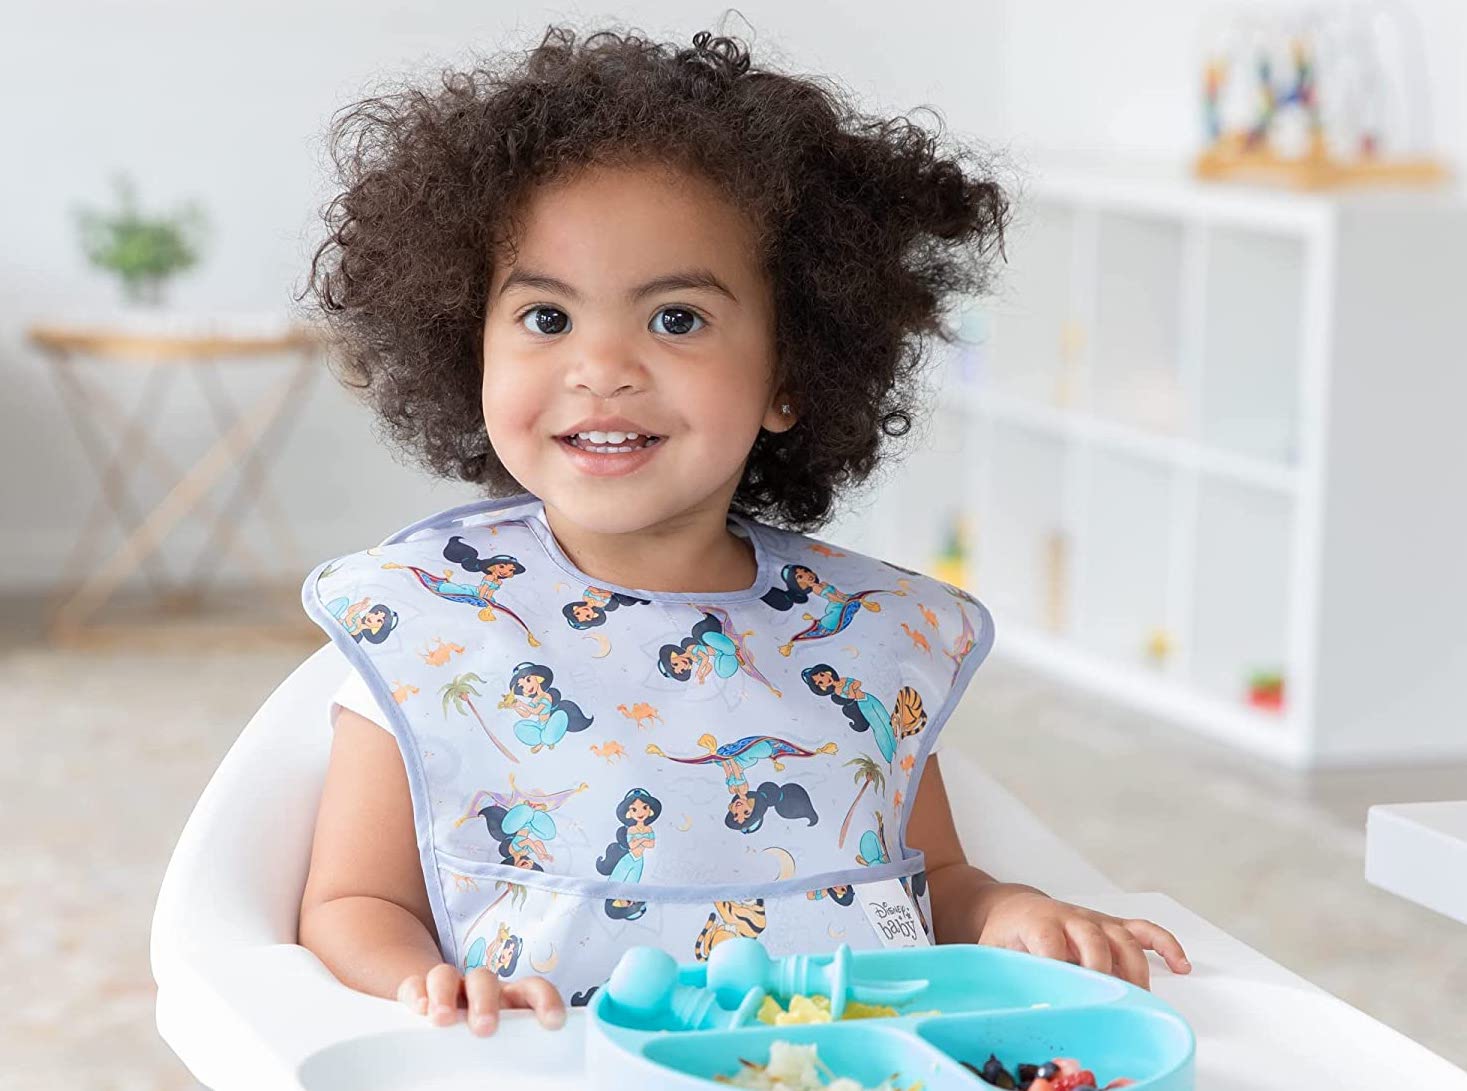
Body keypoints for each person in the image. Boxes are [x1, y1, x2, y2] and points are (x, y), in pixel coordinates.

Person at [295, 24, 1190, 1043]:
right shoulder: (426, 619)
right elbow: (352, 901)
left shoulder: (864, 635)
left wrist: (1010, 909)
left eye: (675, 318)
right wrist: (426, 983)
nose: (602, 367)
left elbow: (929, 878)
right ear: (469, 345)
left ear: (789, 373)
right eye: (546, 318)